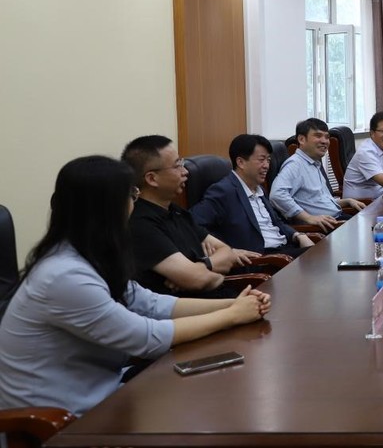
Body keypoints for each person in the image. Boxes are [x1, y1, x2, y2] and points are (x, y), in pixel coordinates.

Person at [0, 156, 270, 416]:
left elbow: (150, 303)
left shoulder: (89, 254)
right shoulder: (64, 275)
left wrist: (234, 305)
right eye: (131, 194)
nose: (135, 201)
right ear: (107, 207)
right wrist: (231, 315)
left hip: (101, 392)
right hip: (60, 421)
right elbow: (146, 337)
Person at [122, 135, 260, 298]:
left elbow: (227, 252)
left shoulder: (177, 212)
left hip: (220, 298)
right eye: (177, 166)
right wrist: (206, 272)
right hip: (191, 309)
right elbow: (196, 279)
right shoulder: (141, 224)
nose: (185, 171)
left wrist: (202, 266)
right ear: (152, 178)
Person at [190, 135, 314, 257]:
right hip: (265, 259)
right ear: (241, 162)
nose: (266, 166)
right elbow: (191, 225)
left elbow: (277, 223)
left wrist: (297, 235)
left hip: (285, 250)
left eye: (268, 160)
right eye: (261, 160)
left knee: (320, 253)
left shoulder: (259, 189)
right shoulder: (223, 191)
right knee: (318, 257)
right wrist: (228, 251)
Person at [270, 118, 366, 232]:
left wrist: (348, 201)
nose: (325, 141)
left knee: (375, 225)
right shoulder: (295, 164)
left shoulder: (313, 163)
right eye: (318, 136)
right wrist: (309, 218)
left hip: (336, 219)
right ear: (301, 139)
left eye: (327, 137)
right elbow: (277, 195)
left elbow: (318, 202)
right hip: (325, 228)